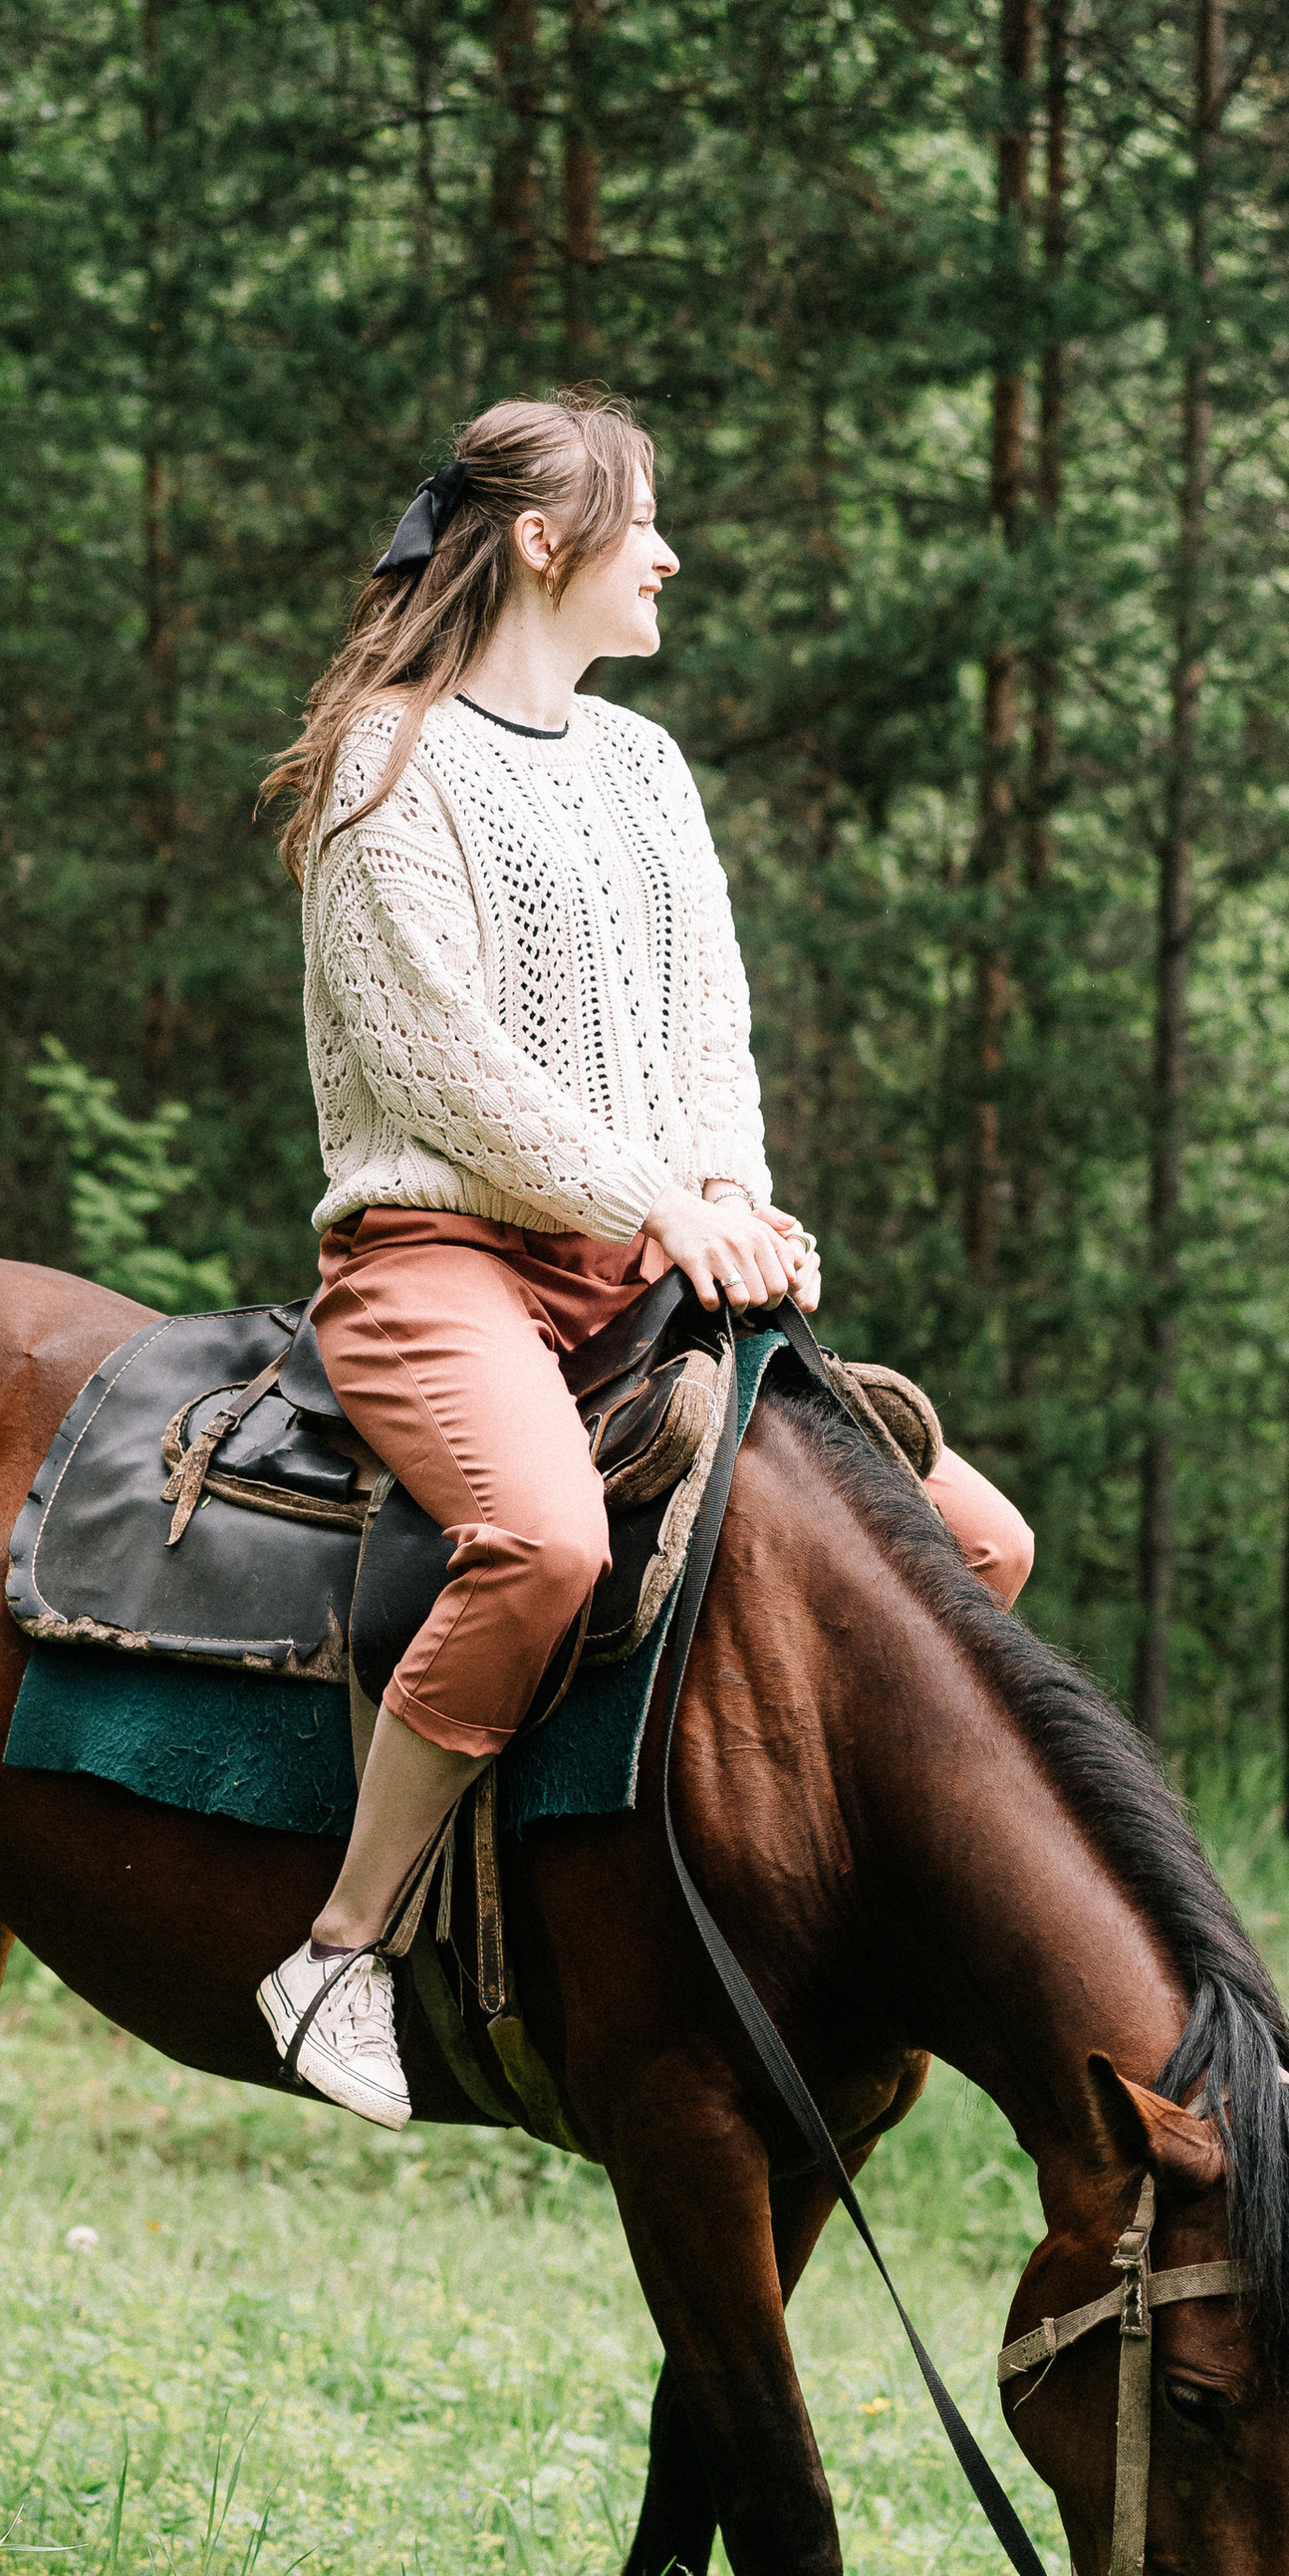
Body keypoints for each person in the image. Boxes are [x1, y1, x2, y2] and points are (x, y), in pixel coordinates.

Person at [252, 390, 1033, 2131]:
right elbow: (437, 1062)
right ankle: (341, 1950)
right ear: (546, 543)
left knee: (980, 1540)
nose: (668, 553)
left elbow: (709, 1038)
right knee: (538, 1543)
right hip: (439, 1259)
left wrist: (735, 1198)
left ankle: (778, 1904)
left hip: (638, 1265)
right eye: (644, 523)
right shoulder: (389, 761)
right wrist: (652, 1199)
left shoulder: (643, 768)